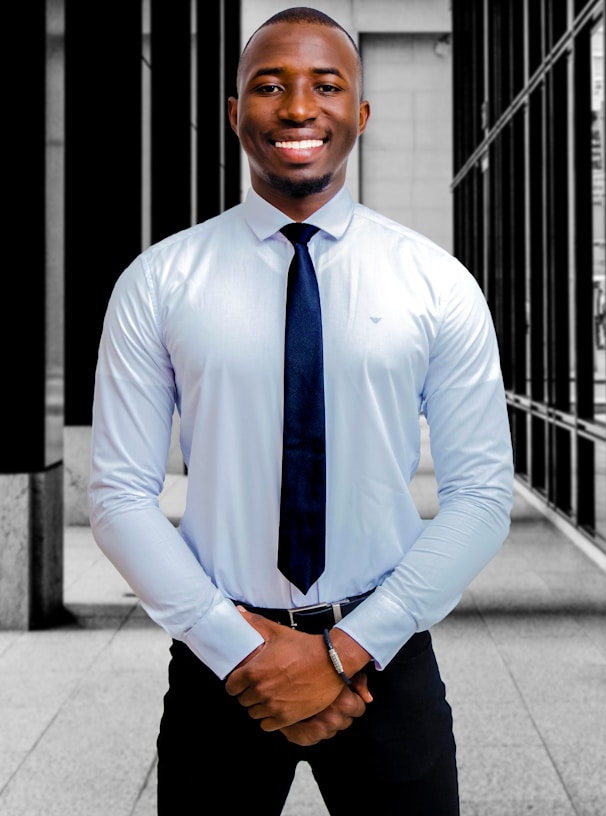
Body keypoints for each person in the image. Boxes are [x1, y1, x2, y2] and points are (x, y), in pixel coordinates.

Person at [88, 7, 514, 815]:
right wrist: (244, 651)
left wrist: (342, 652)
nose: (296, 108)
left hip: (386, 655)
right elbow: (117, 495)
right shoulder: (160, 281)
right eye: (268, 85)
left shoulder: (435, 283)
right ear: (234, 112)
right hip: (223, 665)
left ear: (359, 113)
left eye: (326, 86)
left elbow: (484, 496)